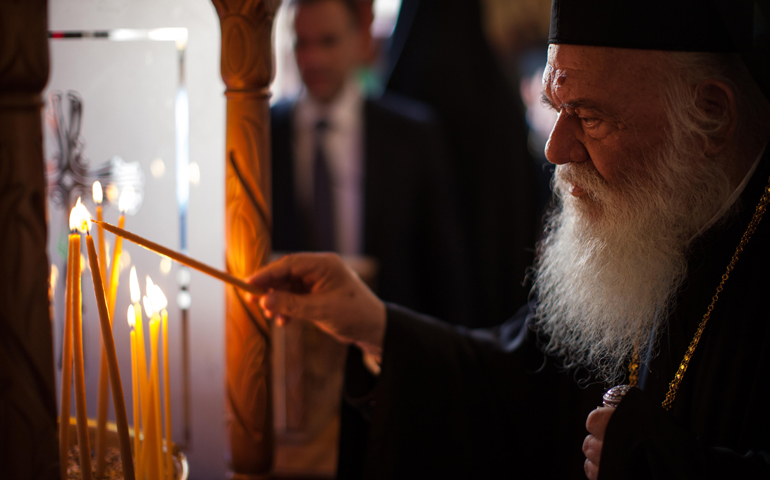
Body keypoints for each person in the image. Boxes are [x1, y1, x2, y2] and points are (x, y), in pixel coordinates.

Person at [254, 0, 770, 478]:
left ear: (711, 116)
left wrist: (659, 463)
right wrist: (374, 327)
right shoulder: (648, 231)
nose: (555, 148)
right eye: (556, 108)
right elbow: (515, 385)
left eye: (589, 118)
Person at [271, 0, 469, 323]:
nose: (313, 59)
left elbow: (444, 268)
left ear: (359, 39)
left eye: (328, 41)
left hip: (389, 340)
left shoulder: (412, 135)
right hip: (293, 335)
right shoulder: (267, 133)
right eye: (301, 44)